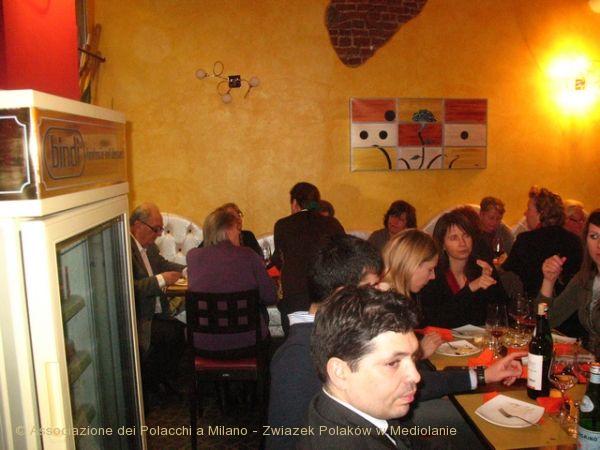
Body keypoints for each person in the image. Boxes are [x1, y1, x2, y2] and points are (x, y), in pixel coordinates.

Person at [267, 234, 522, 450]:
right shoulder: (297, 356)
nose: (381, 289)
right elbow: (285, 441)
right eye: (372, 285)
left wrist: (480, 375)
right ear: (343, 295)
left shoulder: (341, 331)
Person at [186, 209, 277, 349]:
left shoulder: (192, 257)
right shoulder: (249, 255)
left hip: (204, 342)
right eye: (237, 229)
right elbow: (270, 297)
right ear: (227, 230)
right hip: (248, 341)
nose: (240, 233)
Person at [130, 202, 186, 405]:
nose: (159, 234)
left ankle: (161, 382)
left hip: (158, 313)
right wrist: (161, 279)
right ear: (138, 225)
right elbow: (131, 289)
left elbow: (163, 264)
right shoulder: (125, 249)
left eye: (160, 229)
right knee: (172, 334)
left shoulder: (149, 247)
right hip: (140, 318)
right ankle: (156, 385)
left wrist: (187, 270)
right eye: (156, 229)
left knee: (178, 331)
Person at [271, 182, 345, 333]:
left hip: (295, 298)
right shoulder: (332, 224)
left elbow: (278, 261)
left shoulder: (283, 225)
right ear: (317, 203)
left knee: (294, 339)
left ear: (294, 203)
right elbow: (344, 256)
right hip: (326, 296)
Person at [419, 211, 508, 328]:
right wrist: (471, 288)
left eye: (466, 235)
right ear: (442, 244)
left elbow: (503, 312)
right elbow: (435, 320)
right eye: (454, 238)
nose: (462, 243)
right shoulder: (433, 274)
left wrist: (489, 288)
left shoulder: (481, 267)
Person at [539, 209, 600, 356]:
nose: (599, 244)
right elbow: (547, 320)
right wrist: (548, 281)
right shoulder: (585, 278)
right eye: (594, 236)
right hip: (590, 362)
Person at [503, 186, 583, 297]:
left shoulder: (526, 240)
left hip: (534, 303)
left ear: (541, 214)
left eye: (528, 209)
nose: (525, 213)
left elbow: (508, 273)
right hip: (567, 303)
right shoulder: (575, 241)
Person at [479, 196, 514, 261]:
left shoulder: (504, 234)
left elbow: (514, 258)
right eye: (491, 218)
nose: (494, 222)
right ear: (481, 215)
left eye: (498, 219)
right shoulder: (472, 230)